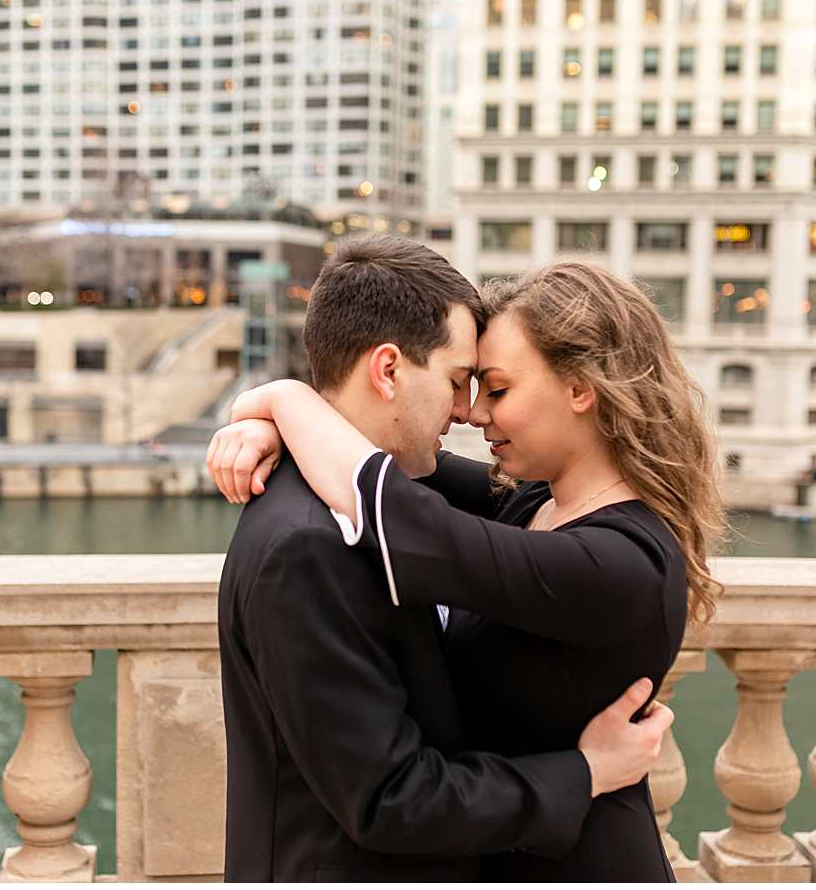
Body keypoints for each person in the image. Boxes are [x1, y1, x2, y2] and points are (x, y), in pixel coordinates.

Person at [211, 246, 722, 883]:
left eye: (496, 389)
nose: (472, 412)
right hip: (510, 846)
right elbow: (399, 473)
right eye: (465, 383)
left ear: (581, 389)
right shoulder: (534, 503)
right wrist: (278, 426)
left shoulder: (623, 561)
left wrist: (287, 401)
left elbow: (400, 511)